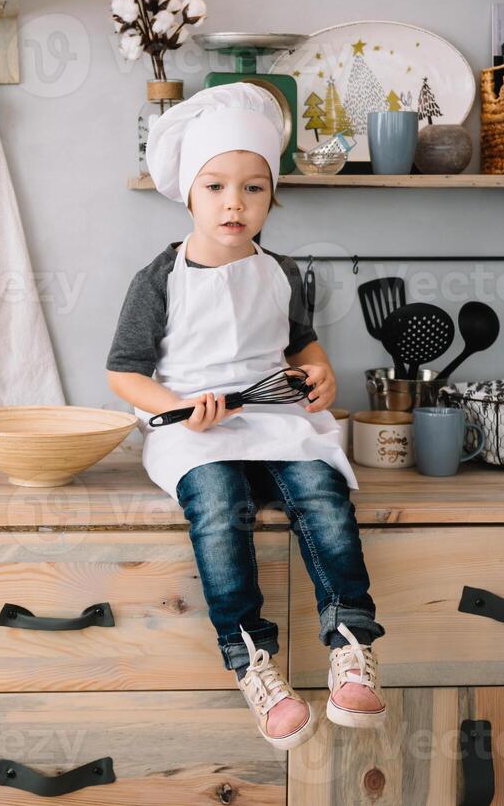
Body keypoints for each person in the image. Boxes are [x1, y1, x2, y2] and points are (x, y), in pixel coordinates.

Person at [106, 83, 385, 750]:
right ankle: (251, 660)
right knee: (218, 504)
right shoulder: (158, 278)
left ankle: (350, 643)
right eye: (216, 187)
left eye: (253, 188)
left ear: (271, 195)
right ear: (189, 193)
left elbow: (299, 344)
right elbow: (123, 373)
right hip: (195, 431)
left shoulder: (282, 270)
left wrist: (321, 371)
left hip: (275, 416)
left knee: (322, 493)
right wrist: (177, 407)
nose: (235, 203)